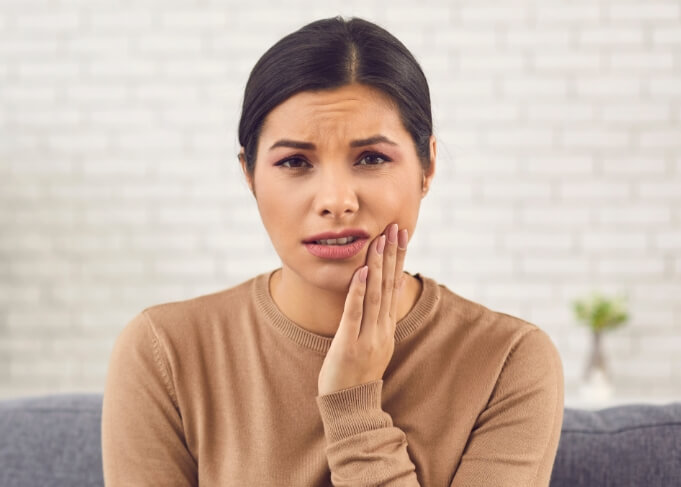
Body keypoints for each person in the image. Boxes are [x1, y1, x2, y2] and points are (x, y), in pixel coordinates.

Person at [101, 15, 564, 486]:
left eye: (372, 158)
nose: (336, 201)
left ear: (428, 167)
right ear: (249, 176)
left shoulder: (509, 361)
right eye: (295, 162)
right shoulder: (164, 352)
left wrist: (353, 408)